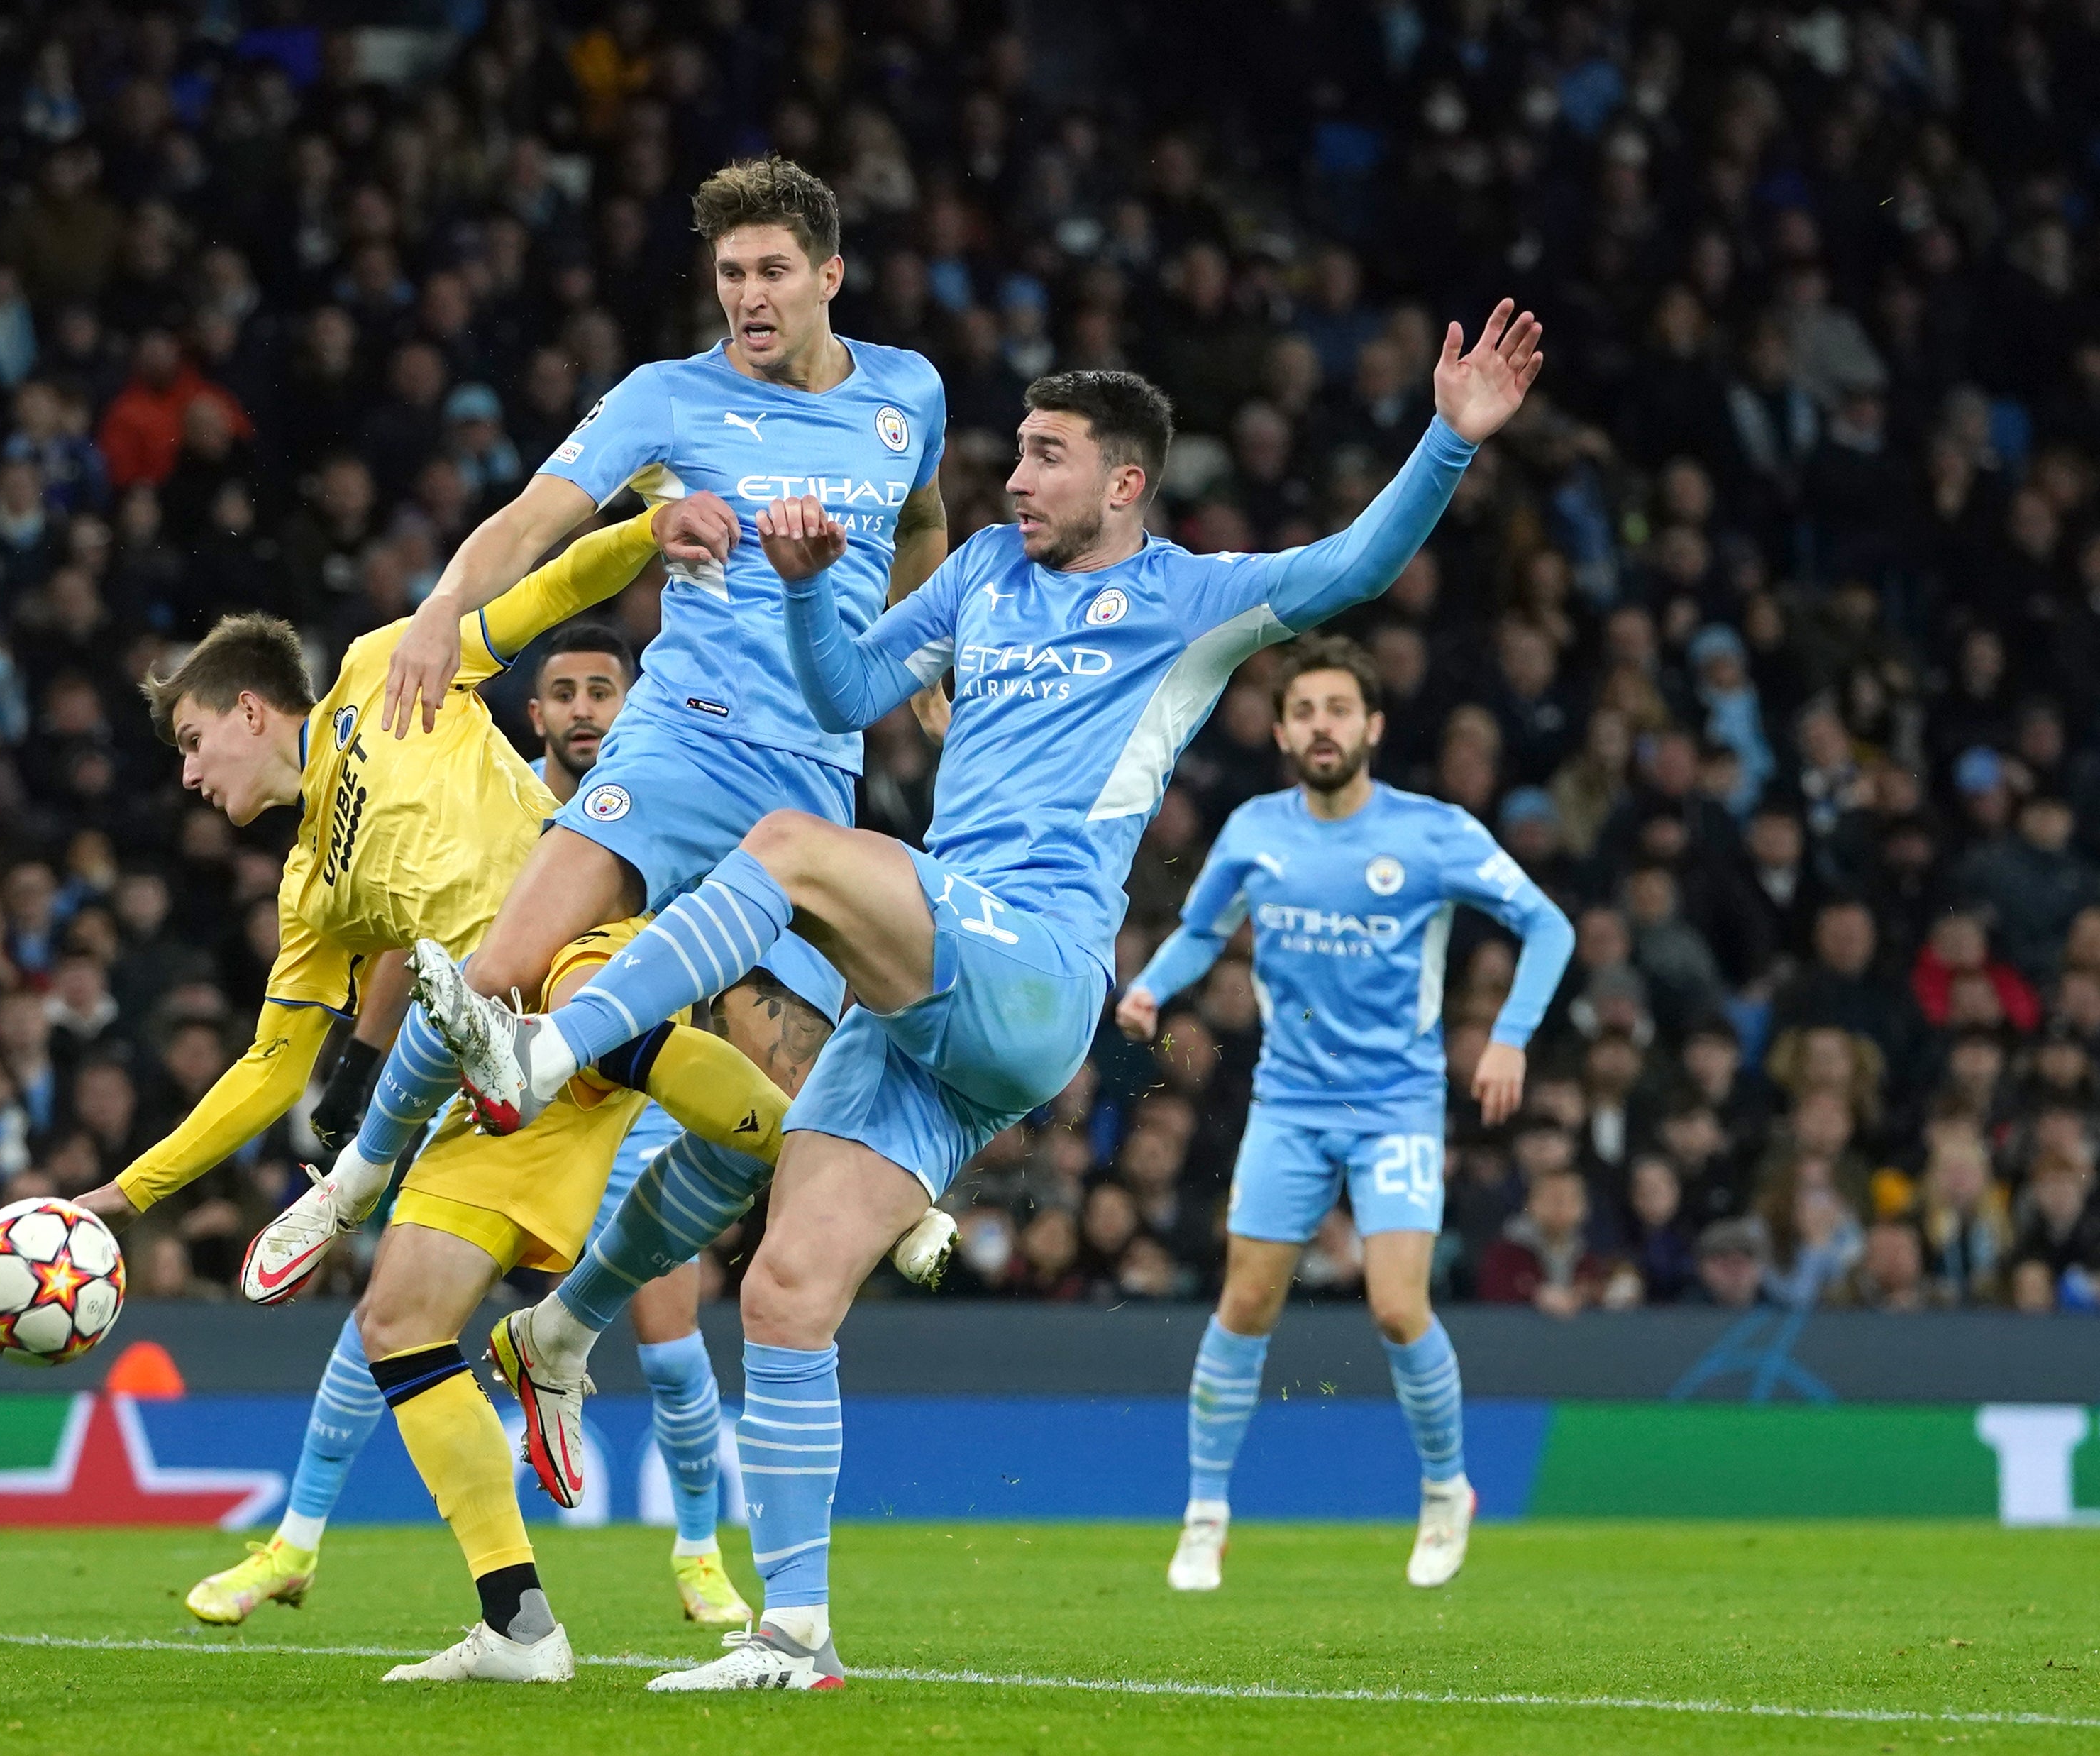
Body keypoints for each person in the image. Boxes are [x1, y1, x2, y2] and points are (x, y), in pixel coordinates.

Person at [416, 302, 1544, 1689]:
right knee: (782, 1291)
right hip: (932, 993)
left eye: (1048, 456)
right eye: (1014, 450)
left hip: (1031, 963)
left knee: (783, 848)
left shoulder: (1189, 598)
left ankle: (542, 1054)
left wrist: (1446, 437)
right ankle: (795, 1634)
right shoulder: (984, 577)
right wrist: (791, 585)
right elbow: (850, 693)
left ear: (1124, 481)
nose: (1011, 479)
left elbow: (1354, 567)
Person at [71, 497, 802, 1686]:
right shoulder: (310, 893)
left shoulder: (380, 671)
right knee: (400, 1318)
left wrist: (649, 533)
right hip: (487, 1058)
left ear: (253, 711)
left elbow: (535, 599)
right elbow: (269, 1070)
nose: (192, 775)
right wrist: (127, 1192)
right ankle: (518, 1624)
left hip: (581, 947)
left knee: (599, 1029)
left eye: (197, 743)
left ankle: (843, 1160)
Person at [316, 156, 951, 1254]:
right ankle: (349, 1180)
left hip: (810, 784)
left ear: (830, 275)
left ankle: (569, 1329)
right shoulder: (667, 396)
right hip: (680, 749)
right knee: (502, 973)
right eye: (730, 273)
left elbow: (928, 523)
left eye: (772, 271)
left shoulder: (909, 394)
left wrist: (920, 656)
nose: (749, 296)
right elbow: (529, 521)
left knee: (782, 1101)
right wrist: (442, 605)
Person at [180, 619, 753, 1635]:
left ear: (630, 704)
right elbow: (424, 927)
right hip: (505, 1067)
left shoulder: (668, 776)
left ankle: (701, 1553)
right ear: (535, 715)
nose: (584, 709)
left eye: (601, 692)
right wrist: (358, 1063)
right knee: (398, 1308)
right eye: (565, 693)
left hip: (634, 1089)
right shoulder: (502, 793)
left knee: (670, 1341)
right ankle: (295, 1541)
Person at [1117, 633, 1573, 1592]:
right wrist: (1153, 989)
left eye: (1337, 710)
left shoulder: (1430, 831)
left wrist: (1509, 1036)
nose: (1320, 727)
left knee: (1397, 1306)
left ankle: (1447, 1490)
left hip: (1397, 1107)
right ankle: (1203, 1514)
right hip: (1288, 1104)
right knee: (1243, 1304)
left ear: (1370, 726)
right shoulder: (1253, 830)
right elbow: (1200, 929)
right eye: (1302, 713)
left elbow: (1547, 923)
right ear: (1282, 734)